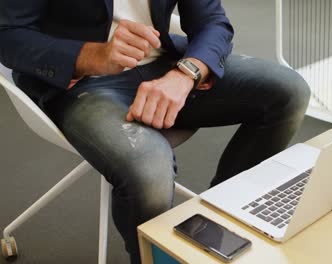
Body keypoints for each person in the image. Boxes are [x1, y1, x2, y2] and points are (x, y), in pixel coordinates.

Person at [0, 0, 311, 263]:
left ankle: (225, 215)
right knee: (148, 169)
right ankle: (153, 257)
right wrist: (92, 55)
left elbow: (212, 20)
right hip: (83, 83)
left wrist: (186, 73)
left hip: (166, 64)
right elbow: (7, 35)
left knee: (288, 92)